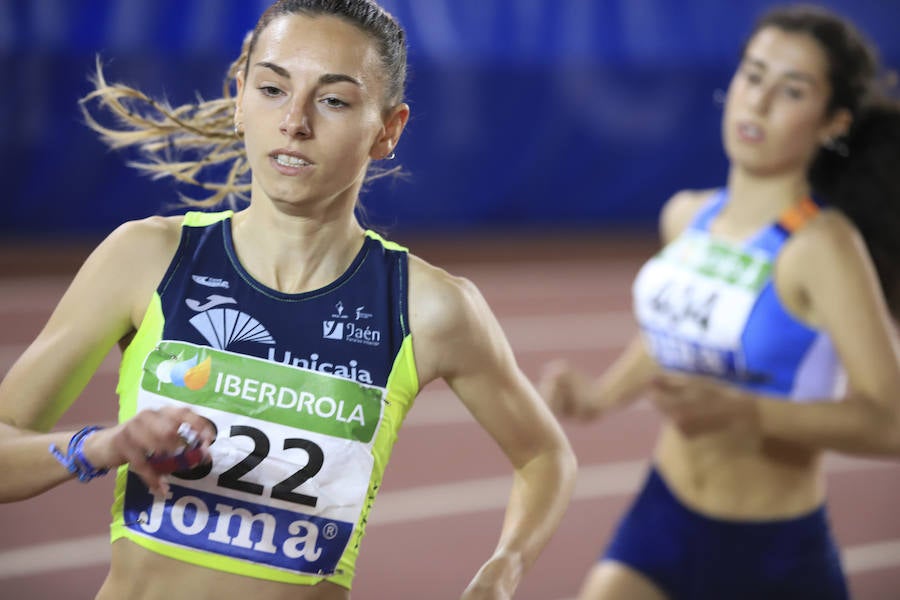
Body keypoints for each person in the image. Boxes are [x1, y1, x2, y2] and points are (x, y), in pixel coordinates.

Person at [0, 1, 577, 599]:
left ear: (388, 129)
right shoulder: (145, 258)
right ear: (240, 98)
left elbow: (545, 458)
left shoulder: (428, 308)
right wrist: (97, 446)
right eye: (273, 88)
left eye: (333, 100)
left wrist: (501, 571)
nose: (294, 121)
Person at [540, 4, 900, 600]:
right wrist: (600, 395)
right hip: (663, 519)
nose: (757, 103)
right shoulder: (687, 216)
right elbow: (673, 334)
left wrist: (748, 413)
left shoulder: (823, 248)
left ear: (833, 122)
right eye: (752, 76)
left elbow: (890, 423)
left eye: (791, 90)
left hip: (775, 555)